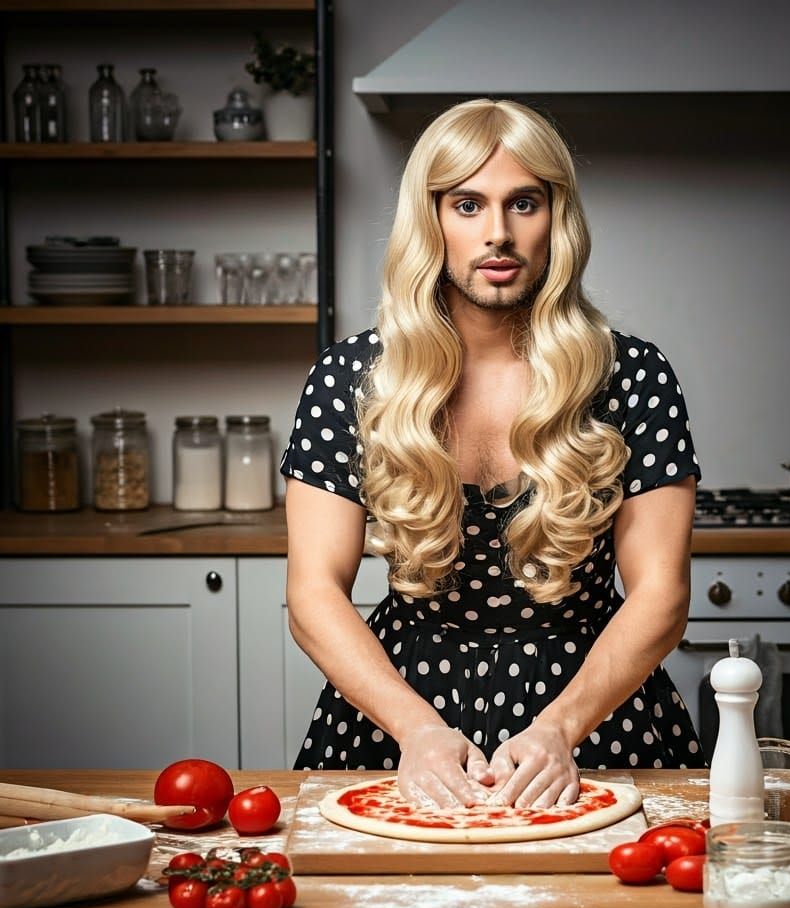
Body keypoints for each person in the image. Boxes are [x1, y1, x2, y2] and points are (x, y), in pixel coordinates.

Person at [281, 98, 705, 811]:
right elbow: (312, 592)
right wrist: (415, 728)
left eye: (525, 204)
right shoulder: (350, 380)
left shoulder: (632, 376)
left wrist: (560, 729)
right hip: (399, 713)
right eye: (468, 204)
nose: (499, 234)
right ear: (431, 219)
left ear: (556, 220)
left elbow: (661, 595)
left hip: (591, 713)